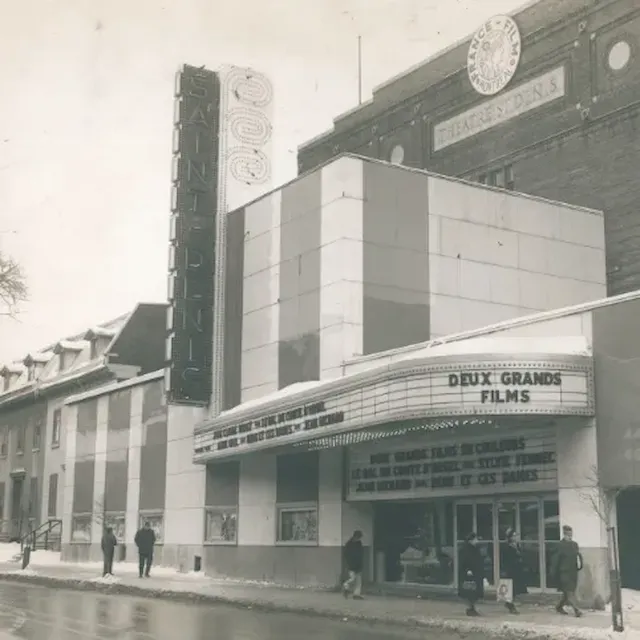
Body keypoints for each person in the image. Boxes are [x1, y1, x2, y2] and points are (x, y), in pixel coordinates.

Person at [551, 525, 583, 617]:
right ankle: (576, 610)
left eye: (571, 534)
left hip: (573, 572)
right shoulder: (560, 545)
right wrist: (554, 572)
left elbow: (578, 557)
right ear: (564, 534)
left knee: (568, 592)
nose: (570, 536)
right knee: (570, 592)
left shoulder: (574, 545)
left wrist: (580, 565)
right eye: (568, 534)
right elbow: (555, 560)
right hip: (564, 572)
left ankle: (559, 607)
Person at [500, 528, 527, 614]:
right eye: (514, 535)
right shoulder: (506, 547)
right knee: (510, 588)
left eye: (516, 535)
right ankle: (510, 605)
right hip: (510, 569)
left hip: (517, 569)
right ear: (510, 537)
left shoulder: (517, 545)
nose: (516, 537)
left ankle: (509, 603)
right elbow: (505, 559)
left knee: (516, 588)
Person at [458, 532, 484, 616]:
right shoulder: (465, 550)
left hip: (476, 573)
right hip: (468, 575)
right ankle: (470, 608)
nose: (477, 541)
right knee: (470, 592)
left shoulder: (475, 549)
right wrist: (467, 570)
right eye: (475, 539)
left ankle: (472, 607)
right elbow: (462, 562)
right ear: (471, 540)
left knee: (476, 592)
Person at [342, 530, 364, 599]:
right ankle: (346, 585)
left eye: (359, 537)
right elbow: (346, 554)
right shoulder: (349, 544)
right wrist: (348, 563)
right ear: (355, 536)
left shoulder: (359, 543)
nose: (358, 539)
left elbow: (360, 554)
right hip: (351, 565)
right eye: (358, 537)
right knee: (353, 579)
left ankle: (356, 594)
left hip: (357, 564)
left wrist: (360, 563)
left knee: (358, 581)